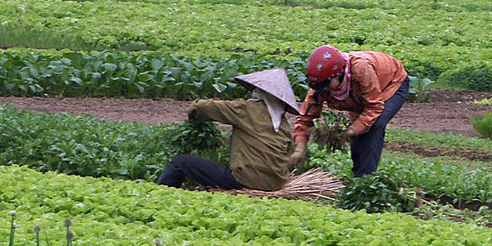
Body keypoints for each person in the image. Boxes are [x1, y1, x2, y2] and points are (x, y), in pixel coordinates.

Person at [158, 68, 299, 192]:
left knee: (179, 163)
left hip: (246, 180)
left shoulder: (246, 109)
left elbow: (199, 108)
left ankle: (158, 196)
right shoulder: (284, 124)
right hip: (275, 183)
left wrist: (194, 113)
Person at [288, 46, 410, 178]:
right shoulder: (321, 86)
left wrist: (350, 131)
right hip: (359, 93)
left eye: (327, 84)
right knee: (359, 127)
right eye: (320, 86)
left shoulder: (361, 70)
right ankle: (357, 173)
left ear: (339, 74)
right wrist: (300, 149)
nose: (324, 89)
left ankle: (366, 179)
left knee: (375, 124)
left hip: (391, 83)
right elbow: (305, 118)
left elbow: (374, 107)